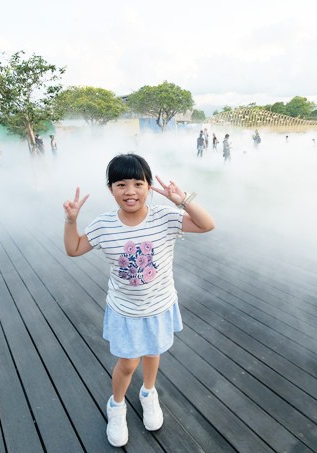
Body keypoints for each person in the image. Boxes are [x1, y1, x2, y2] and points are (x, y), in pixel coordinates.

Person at [62, 153, 215, 447]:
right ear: (111, 189)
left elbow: (207, 225)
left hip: (159, 305)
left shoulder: (165, 217)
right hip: (126, 310)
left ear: (148, 187)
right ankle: (116, 405)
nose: (130, 191)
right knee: (129, 362)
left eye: (137, 183)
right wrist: (71, 221)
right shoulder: (104, 225)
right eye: (121, 184)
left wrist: (182, 201)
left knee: (153, 351)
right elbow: (74, 248)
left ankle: (148, 392)